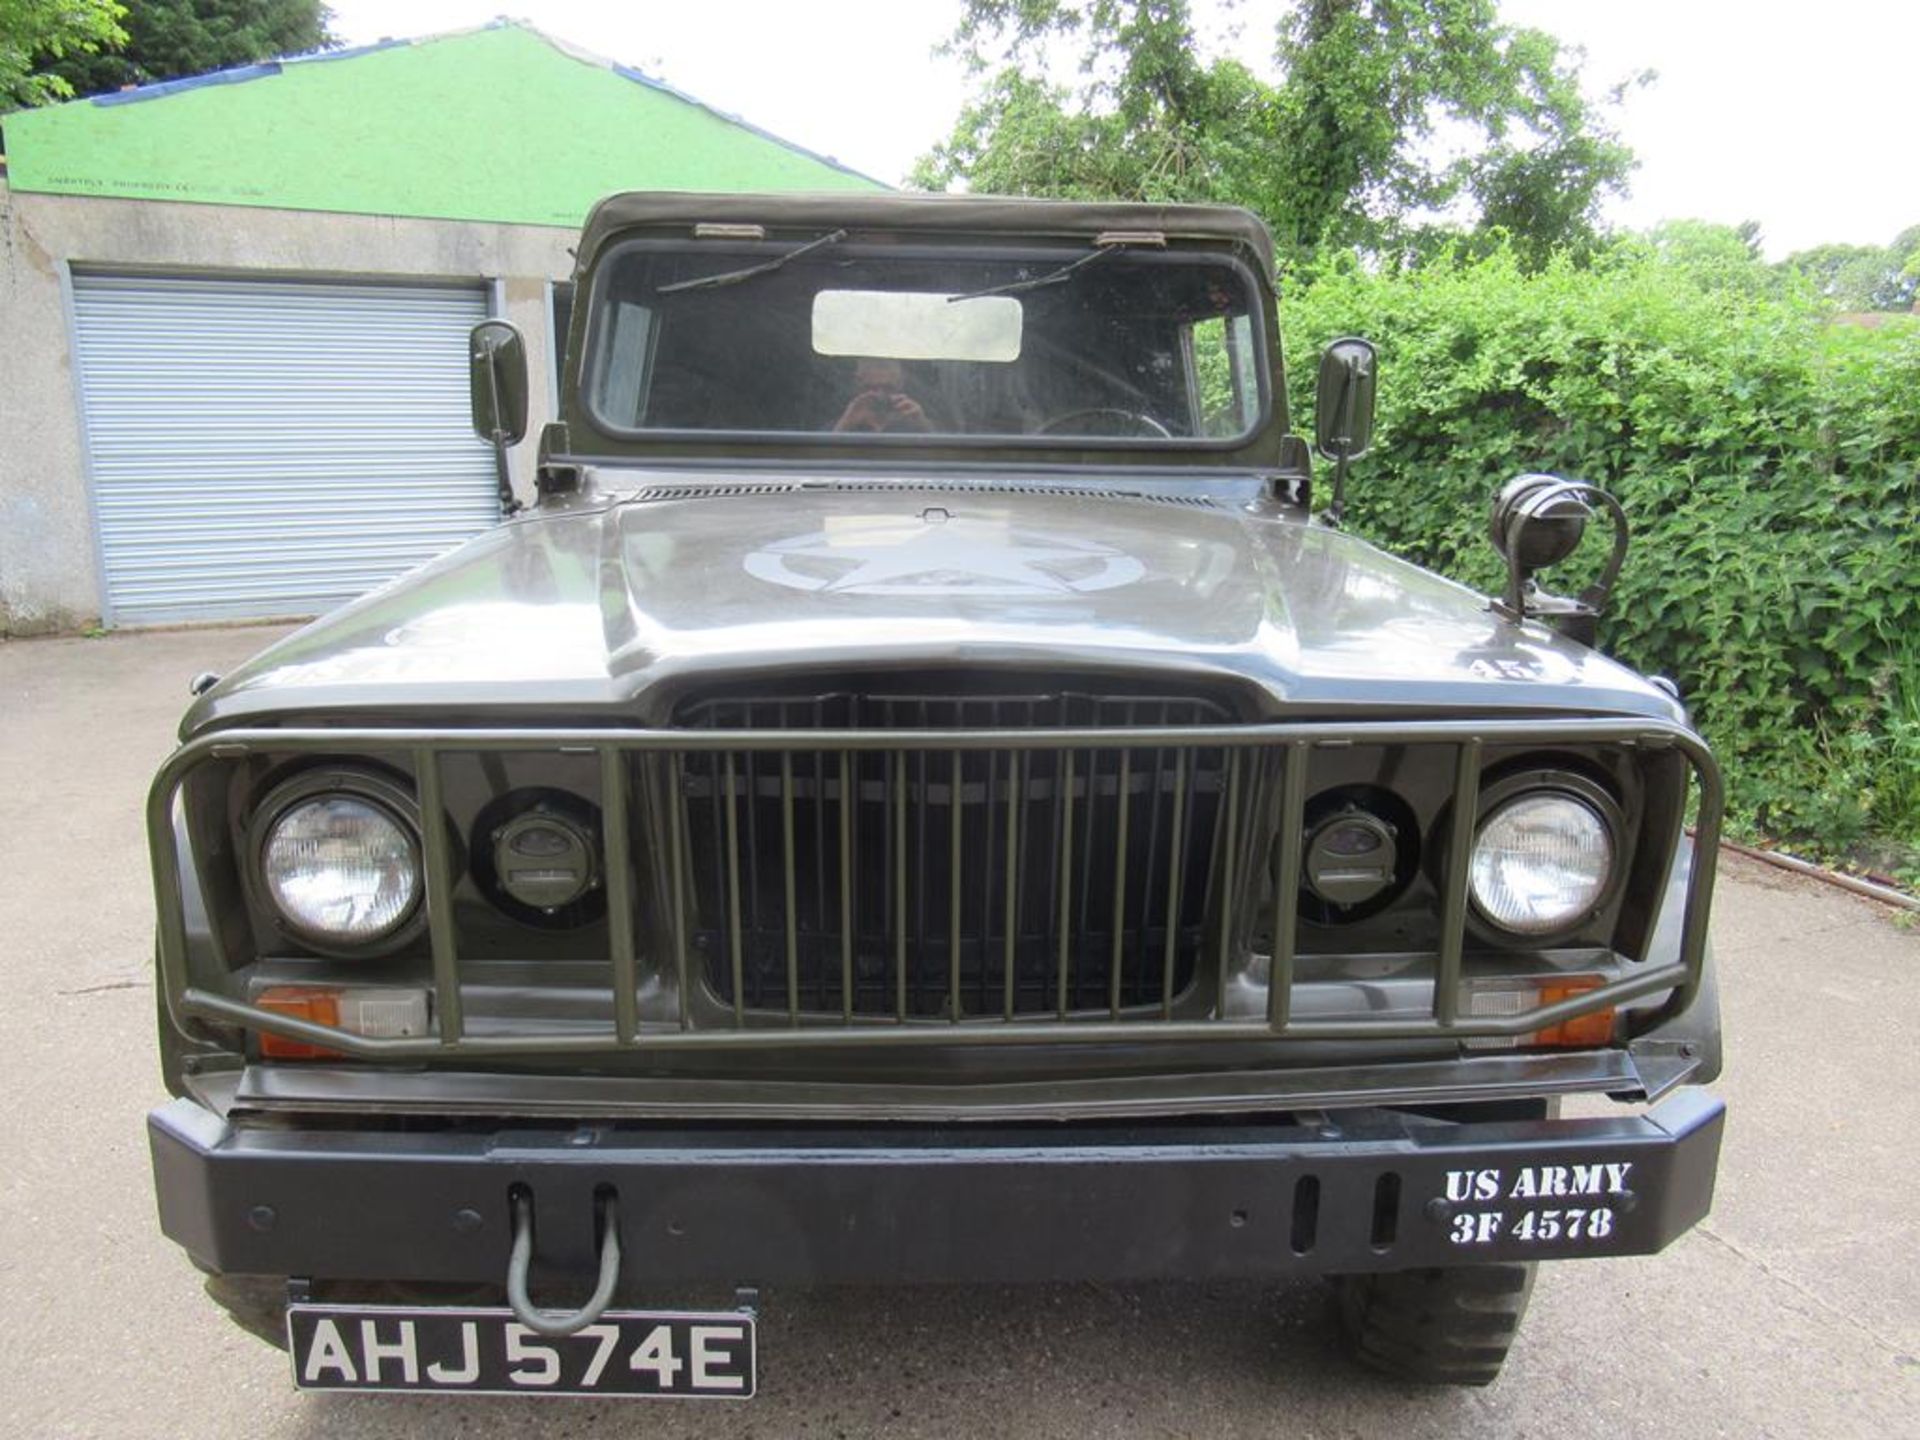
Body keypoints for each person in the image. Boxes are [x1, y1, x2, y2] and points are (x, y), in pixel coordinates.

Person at [831, 357, 934, 434]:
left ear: (900, 382)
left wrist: (923, 425)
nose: (880, 396)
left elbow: (943, 454)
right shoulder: (842, 412)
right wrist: (846, 424)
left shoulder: (913, 414)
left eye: (888, 388)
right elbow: (821, 455)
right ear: (857, 383)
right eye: (871, 388)